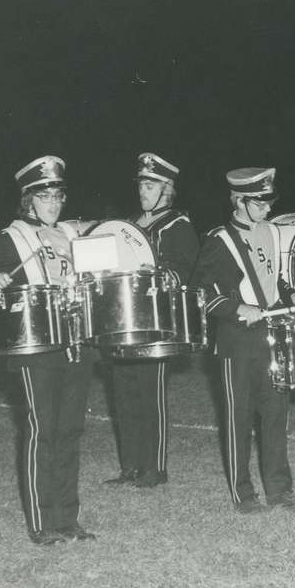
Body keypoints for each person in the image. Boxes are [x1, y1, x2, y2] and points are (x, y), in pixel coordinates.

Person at [0, 155, 98, 544]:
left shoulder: (74, 235)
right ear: (29, 199)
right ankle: (41, 522)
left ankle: (67, 517)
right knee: (41, 428)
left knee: (70, 430)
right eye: (45, 196)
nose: (53, 203)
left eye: (58, 196)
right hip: (35, 346)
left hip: (76, 343)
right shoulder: (10, 238)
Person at [194, 167, 295, 513]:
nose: (267, 209)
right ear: (239, 201)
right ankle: (243, 493)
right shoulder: (219, 240)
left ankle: (280, 489)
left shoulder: (272, 233)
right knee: (239, 418)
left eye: (269, 202)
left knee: (276, 414)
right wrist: (237, 308)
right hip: (237, 342)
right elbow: (201, 292)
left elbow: (277, 279)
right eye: (260, 203)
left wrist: (293, 297)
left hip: (272, 335)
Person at [103, 153, 198, 488]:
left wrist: (159, 272)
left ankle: (154, 468)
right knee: (124, 393)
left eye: (150, 184)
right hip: (122, 321)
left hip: (155, 323)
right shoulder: (128, 225)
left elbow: (186, 270)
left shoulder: (177, 225)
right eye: (141, 184)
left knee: (149, 394)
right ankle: (130, 466)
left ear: (167, 189)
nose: (143, 190)